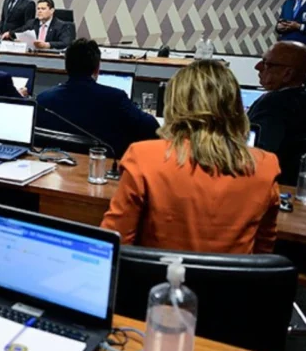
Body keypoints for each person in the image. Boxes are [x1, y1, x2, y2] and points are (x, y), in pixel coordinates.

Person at [101, 60, 281, 254]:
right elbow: (263, 254)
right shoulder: (265, 166)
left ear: (174, 104)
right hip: (233, 284)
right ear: (235, 107)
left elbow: (116, 243)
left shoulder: (143, 157)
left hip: (158, 281)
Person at [36, 39, 159, 157]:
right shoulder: (115, 99)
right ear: (97, 68)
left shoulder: (43, 100)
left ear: (66, 67)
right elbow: (153, 128)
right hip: (101, 170)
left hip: (56, 169)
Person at [248, 41, 306, 184]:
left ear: (287, 74)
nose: (257, 67)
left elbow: (257, 155)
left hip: (266, 182)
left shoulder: (272, 104)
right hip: (292, 177)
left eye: (267, 63)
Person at [10, 0, 75, 49]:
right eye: (38, 9)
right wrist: (18, 40)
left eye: (43, 9)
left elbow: (66, 43)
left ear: (52, 10)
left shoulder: (62, 26)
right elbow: (20, 32)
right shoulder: (32, 23)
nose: (39, 11)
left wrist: (47, 45)